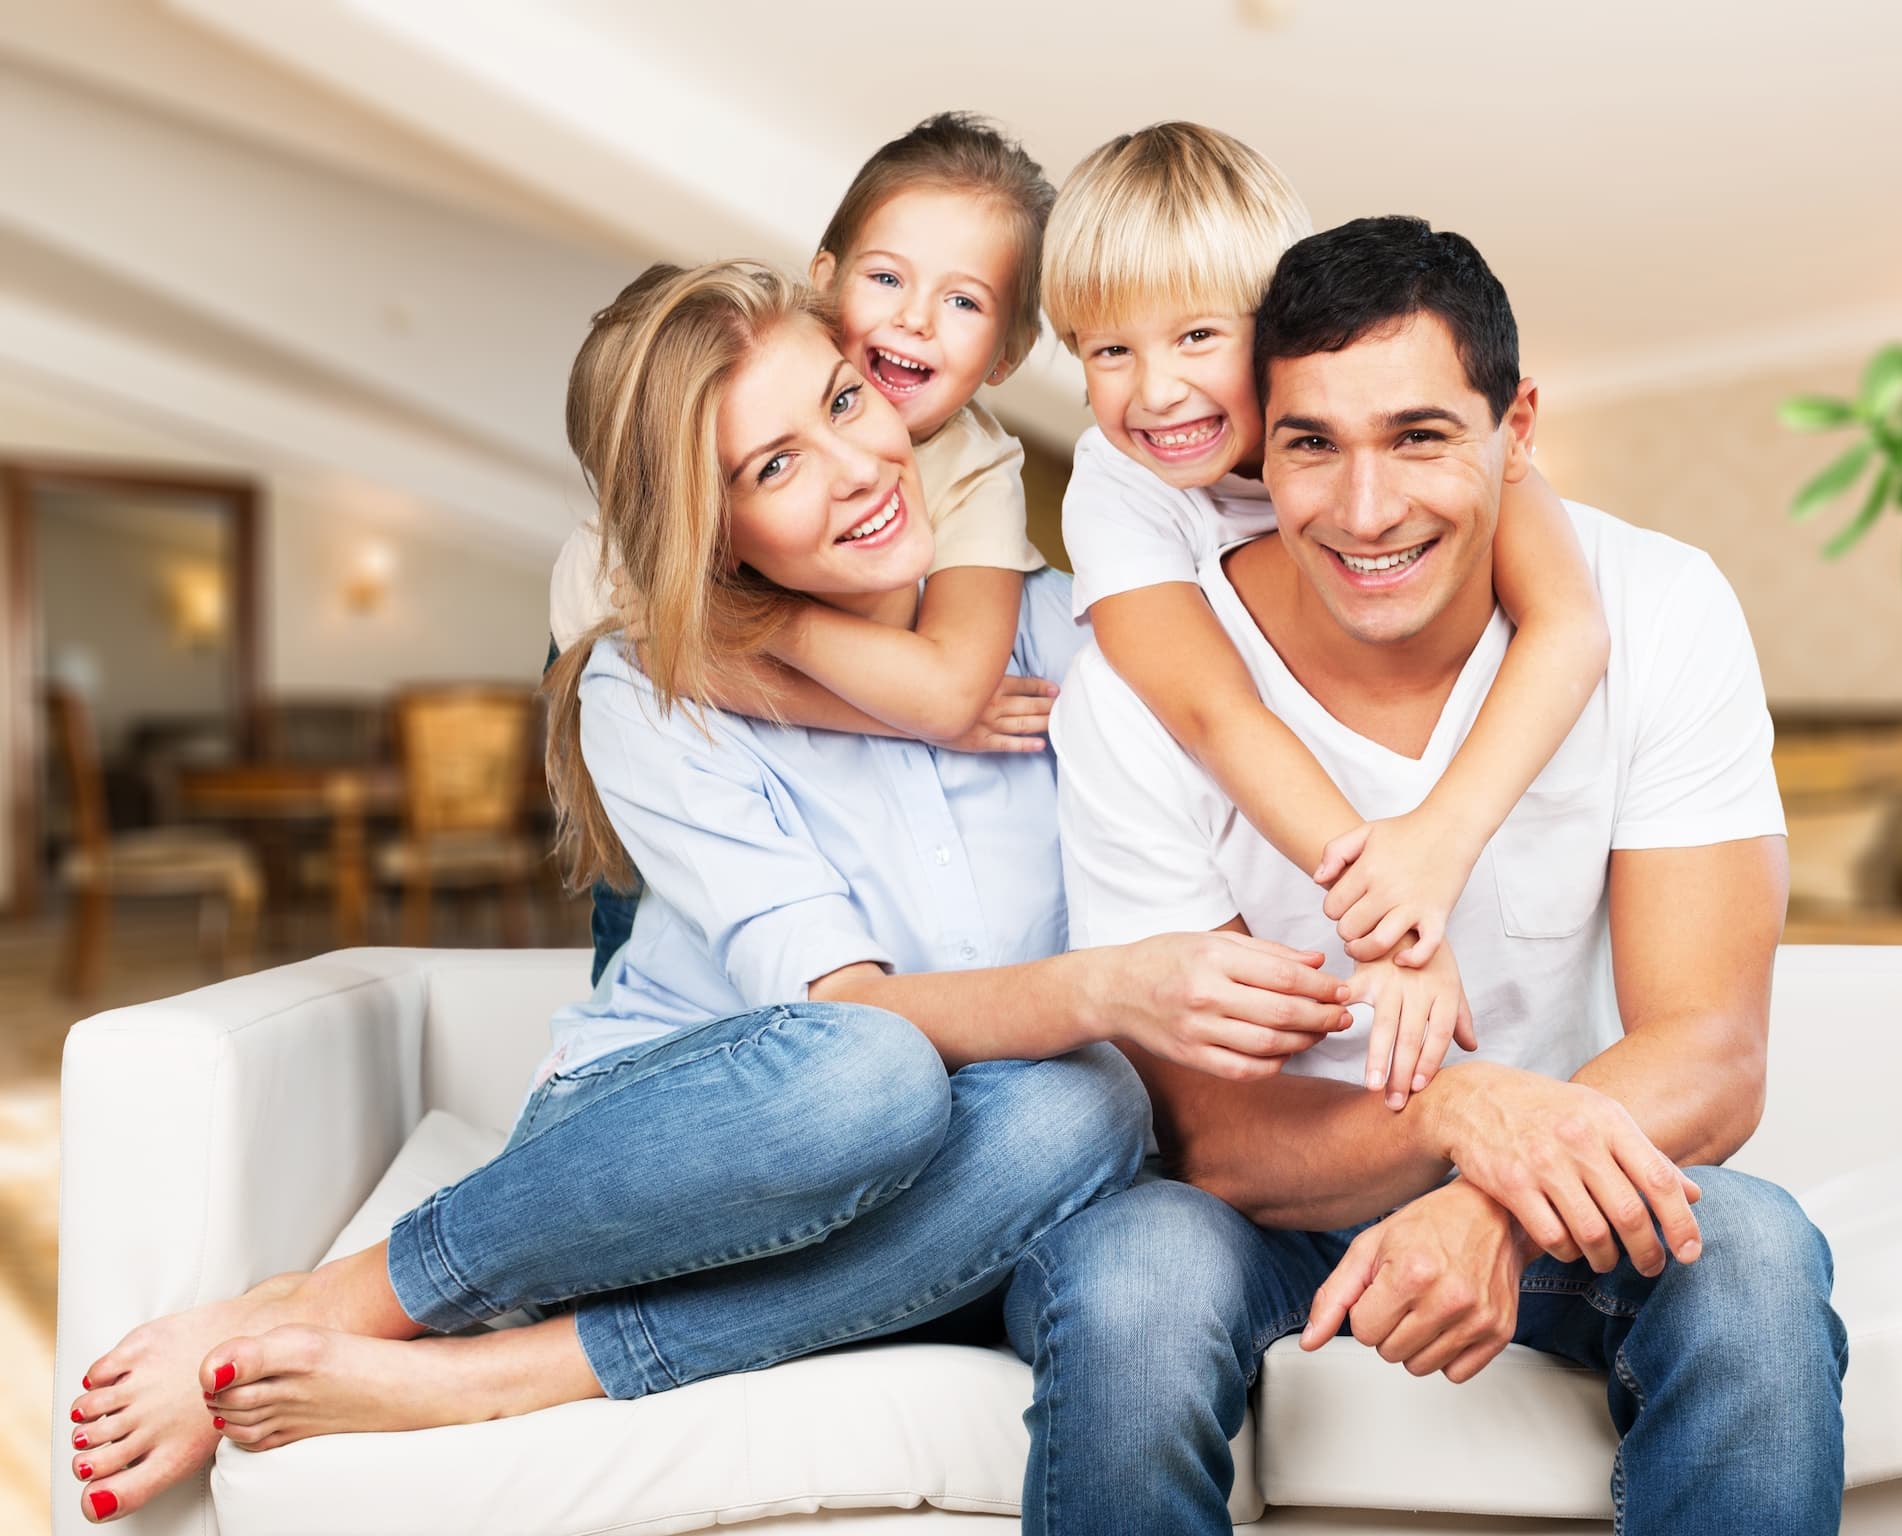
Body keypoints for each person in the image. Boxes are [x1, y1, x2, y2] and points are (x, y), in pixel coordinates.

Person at [62, 261, 1355, 1525]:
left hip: (959, 1187)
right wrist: (1105, 989)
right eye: (773, 468)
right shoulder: (652, 690)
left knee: (1087, 1107)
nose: (857, 469)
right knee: (869, 1073)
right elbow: (856, 1015)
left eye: (845, 402)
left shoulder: (1080, 631)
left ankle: (514, 1375)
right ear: (710, 526)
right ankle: (335, 1303)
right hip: (676, 1152)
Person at [1006, 217, 1848, 1535]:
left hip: (1560, 1187)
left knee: (1748, 1254)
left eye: (1418, 437)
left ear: (1517, 430)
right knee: (1132, 1278)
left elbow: (1713, 1052)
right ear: (1256, 445)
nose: (1365, 510)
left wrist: (1493, 1202)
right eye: (1312, 445)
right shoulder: (1138, 693)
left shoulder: (1658, 605)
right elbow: (1216, 1137)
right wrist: (1458, 1115)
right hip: (1266, 1213)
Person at [1041, 124, 1614, 1104]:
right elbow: (1214, 711)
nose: (1156, 390)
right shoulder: (1116, 489)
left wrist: (1439, 842)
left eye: (1197, 336)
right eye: (1110, 350)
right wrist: (1391, 920)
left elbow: (1570, 626)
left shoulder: (1422, 418)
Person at [551, 111, 1067, 982]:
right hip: (656, 700)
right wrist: (852, 681)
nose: (916, 320)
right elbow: (660, 665)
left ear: (1007, 357)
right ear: (825, 283)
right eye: (887, 277)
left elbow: (948, 692)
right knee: (643, 912)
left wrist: (781, 631)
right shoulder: (647, 517)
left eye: (964, 301)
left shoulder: (977, 467)